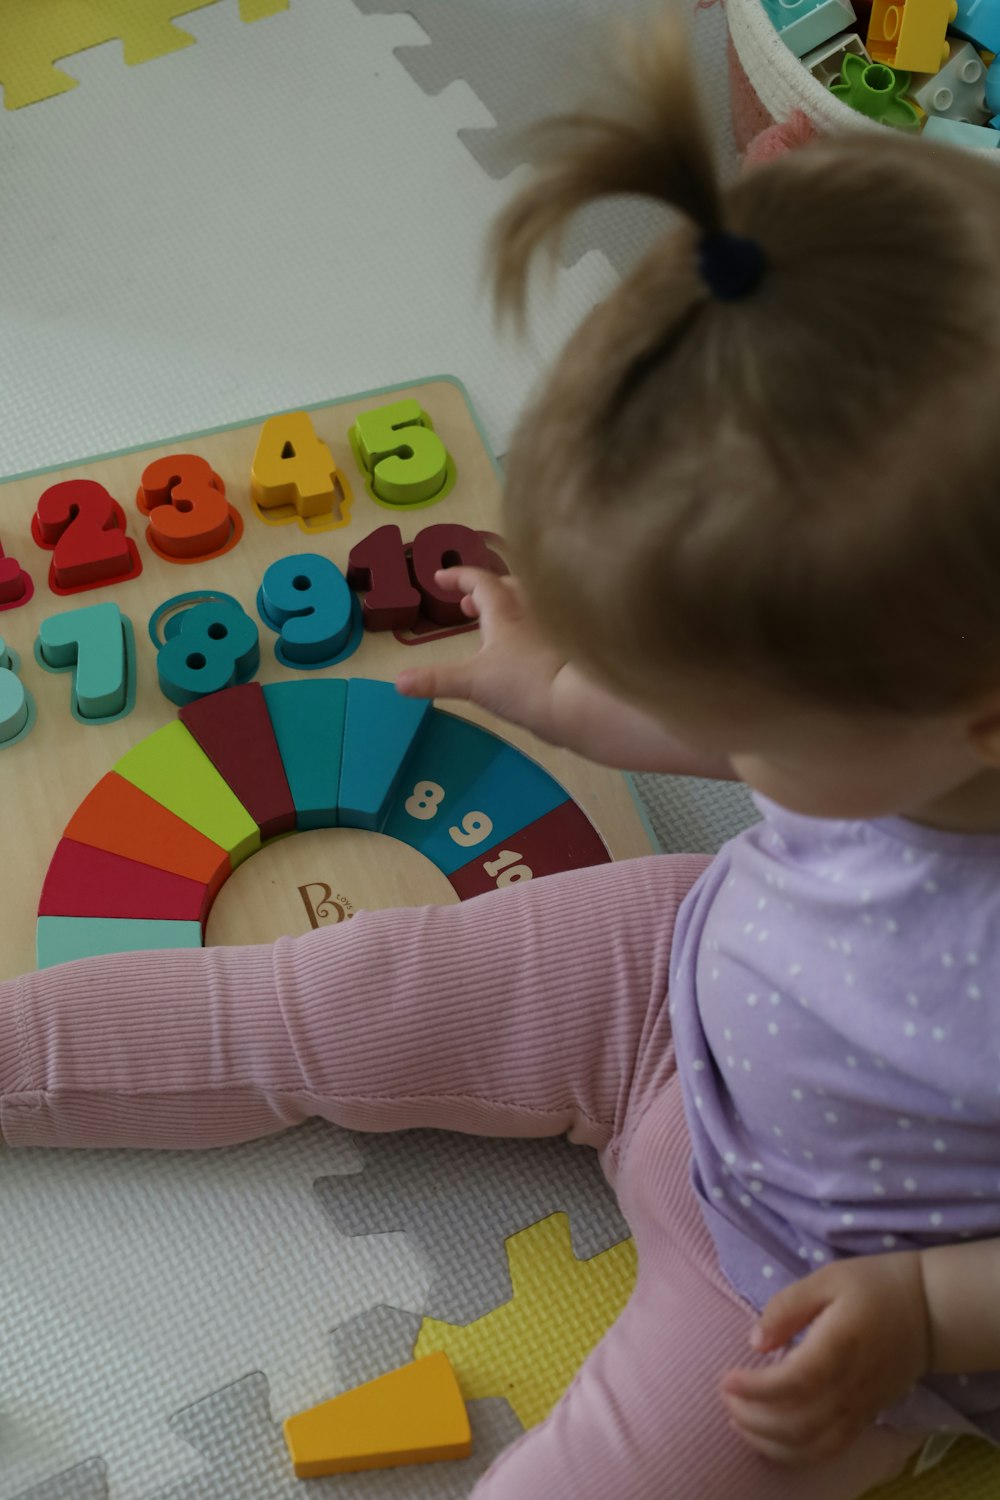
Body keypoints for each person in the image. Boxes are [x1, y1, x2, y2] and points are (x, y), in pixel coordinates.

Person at [5, 12, 1000, 1496]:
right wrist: (572, 690)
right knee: (315, 998)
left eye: (742, 726)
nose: (715, 739)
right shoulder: (908, 680)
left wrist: (922, 1308)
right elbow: (775, 731)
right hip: (673, 985)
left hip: (827, 1290)